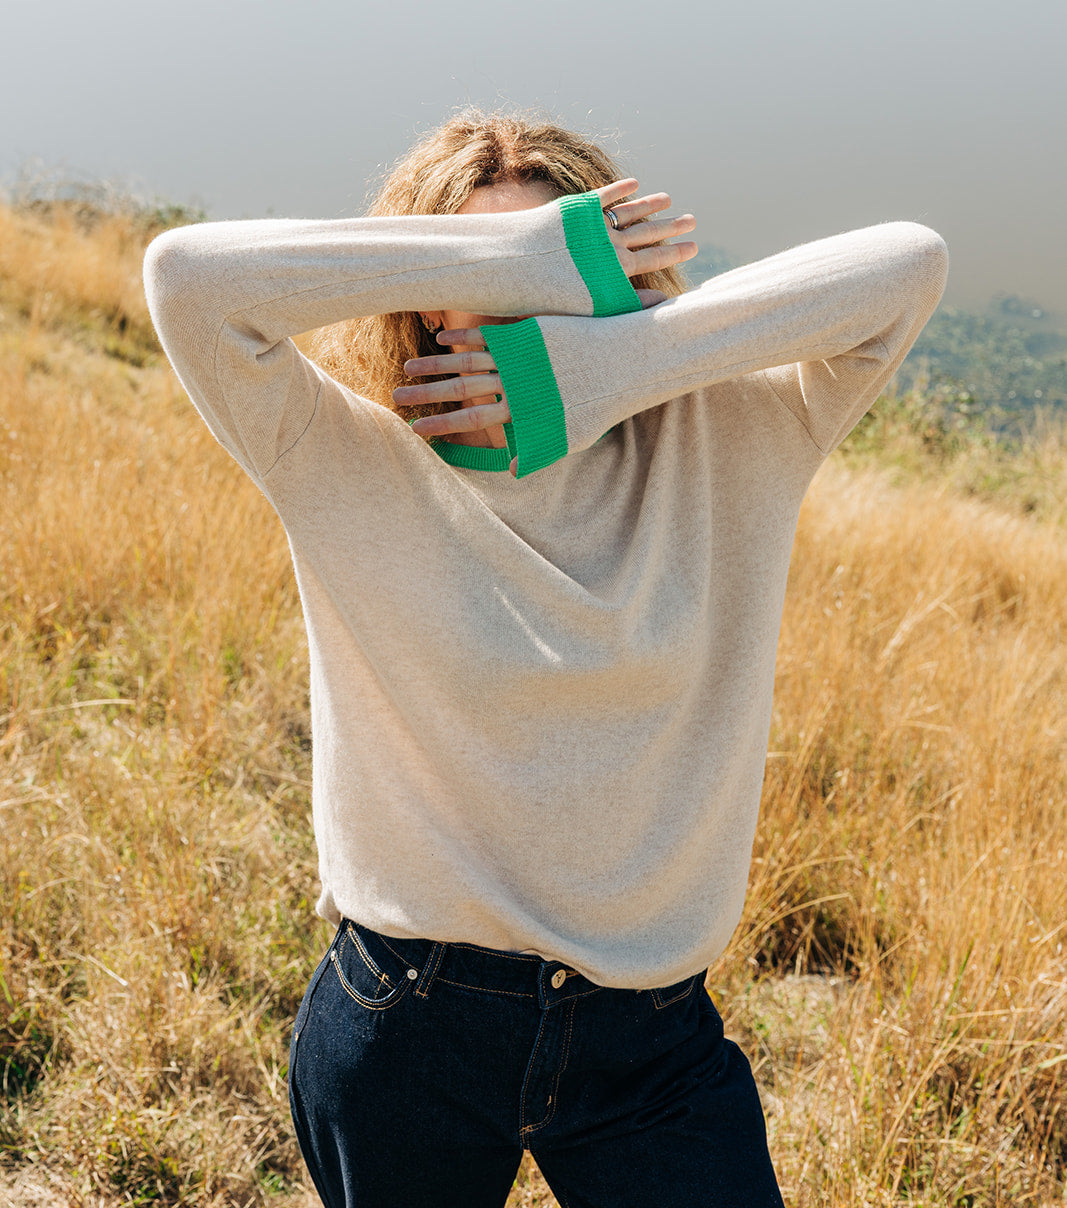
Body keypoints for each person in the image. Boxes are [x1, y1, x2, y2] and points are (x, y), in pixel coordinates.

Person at [143, 109, 948, 1208]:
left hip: (649, 1047)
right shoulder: (337, 452)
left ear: (612, 282)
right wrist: (521, 256)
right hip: (407, 1023)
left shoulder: (730, 439)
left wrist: (615, 365)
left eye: (555, 272)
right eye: (478, 269)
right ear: (424, 293)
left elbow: (908, 263)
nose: (517, 301)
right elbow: (185, 277)